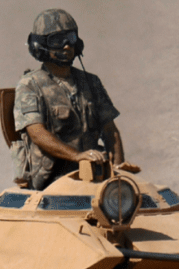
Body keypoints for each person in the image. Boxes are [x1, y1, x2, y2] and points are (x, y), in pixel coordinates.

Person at [12, 9, 126, 190]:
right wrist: (77, 156)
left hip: (94, 177)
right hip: (50, 183)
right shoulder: (30, 85)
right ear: (40, 45)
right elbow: (37, 133)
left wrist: (118, 174)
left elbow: (110, 131)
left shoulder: (91, 82)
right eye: (57, 40)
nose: (67, 46)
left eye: (71, 38)